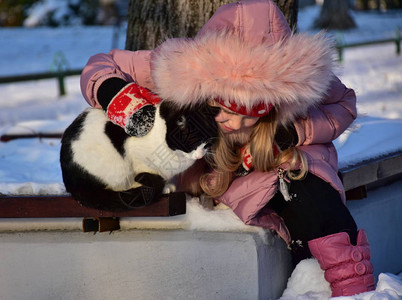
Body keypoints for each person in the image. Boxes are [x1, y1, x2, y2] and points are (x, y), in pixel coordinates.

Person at [79, 0, 375, 297]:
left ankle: (352, 287)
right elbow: (101, 64)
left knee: (310, 195)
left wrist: (297, 130)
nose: (236, 120)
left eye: (254, 107)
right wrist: (115, 93)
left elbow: (344, 103)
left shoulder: (297, 81)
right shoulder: (181, 67)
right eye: (222, 105)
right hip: (215, 174)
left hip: (282, 163)